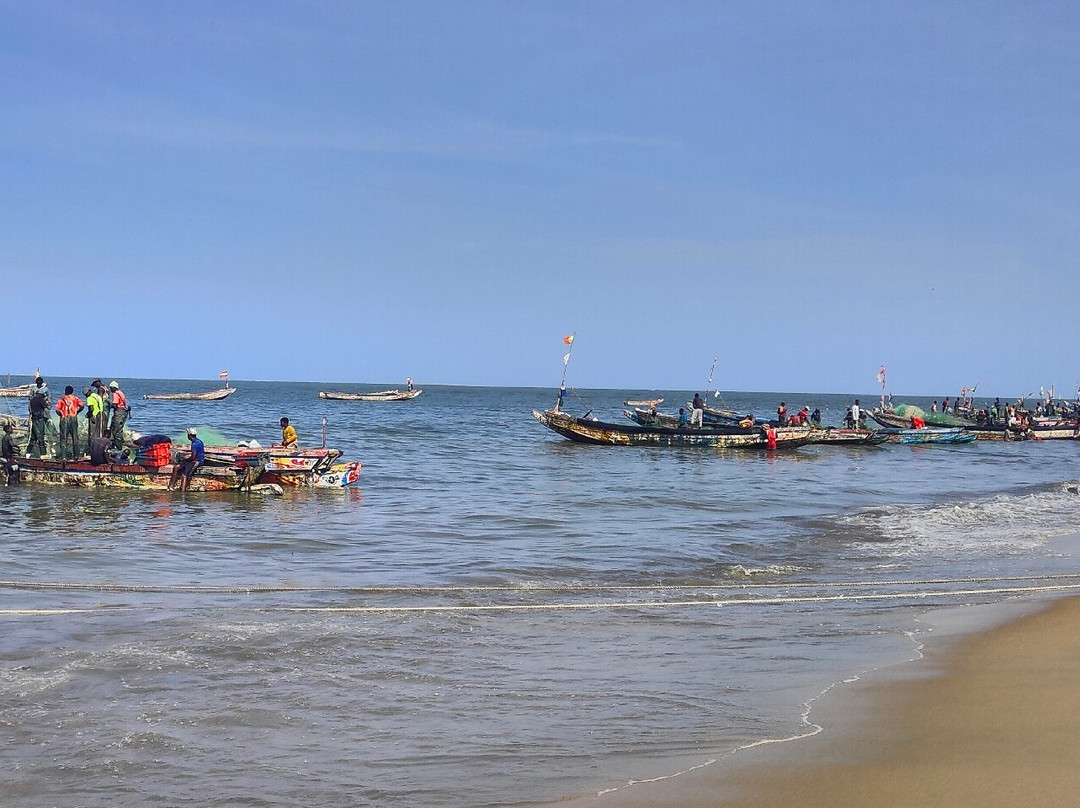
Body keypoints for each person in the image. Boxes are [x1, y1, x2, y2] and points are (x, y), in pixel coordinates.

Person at [169, 427, 205, 492]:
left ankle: (183, 492)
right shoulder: (198, 441)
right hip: (194, 460)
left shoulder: (194, 444)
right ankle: (171, 486)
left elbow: (193, 457)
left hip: (197, 461)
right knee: (176, 467)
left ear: (189, 435)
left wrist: (186, 459)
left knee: (184, 475)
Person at [55, 386, 84, 460]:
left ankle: (64, 456)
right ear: (72, 391)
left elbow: (57, 410)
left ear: (65, 391)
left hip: (65, 418)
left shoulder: (62, 399)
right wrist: (77, 412)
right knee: (75, 437)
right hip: (73, 418)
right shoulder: (75, 398)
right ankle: (76, 456)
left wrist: (61, 415)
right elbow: (82, 406)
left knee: (64, 438)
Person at [26, 384, 50, 458]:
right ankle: (43, 454)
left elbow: (29, 409)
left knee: (33, 437)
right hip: (39, 419)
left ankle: (28, 453)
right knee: (40, 436)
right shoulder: (41, 399)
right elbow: (47, 407)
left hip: (33, 418)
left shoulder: (32, 400)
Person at [107, 381, 129, 450]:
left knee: (116, 429)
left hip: (119, 412)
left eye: (111, 388)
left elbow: (115, 405)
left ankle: (118, 447)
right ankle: (120, 442)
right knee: (119, 428)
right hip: (123, 412)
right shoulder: (121, 393)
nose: (110, 389)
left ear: (114, 388)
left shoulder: (115, 394)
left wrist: (108, 401)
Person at [85, 385, 106, 454]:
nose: (86, 396)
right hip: (101, 415)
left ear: (88, 392)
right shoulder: (97, 396)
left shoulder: (89, 398)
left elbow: (91, 409)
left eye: (86, 394)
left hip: (94, 416)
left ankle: (92, 450)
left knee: (92, 433)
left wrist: (88, 414)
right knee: (99, 432)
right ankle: (100, 448)